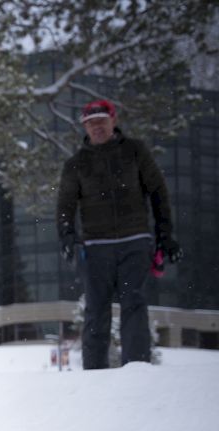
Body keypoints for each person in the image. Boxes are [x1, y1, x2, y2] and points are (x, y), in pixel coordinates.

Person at [56, 98, 181, 369]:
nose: (97, 127)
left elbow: (158, 192)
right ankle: (94, 375)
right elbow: (65, 206)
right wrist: (67, 237)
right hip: (95, 246)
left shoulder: (135, 152)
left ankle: (136, 370)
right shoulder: (75, 164)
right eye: (91, 123)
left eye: (102, 121)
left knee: (133, 304)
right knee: (96, 311)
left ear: (114, 121)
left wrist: (165, 235)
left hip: (134, 241)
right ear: (85, 128)